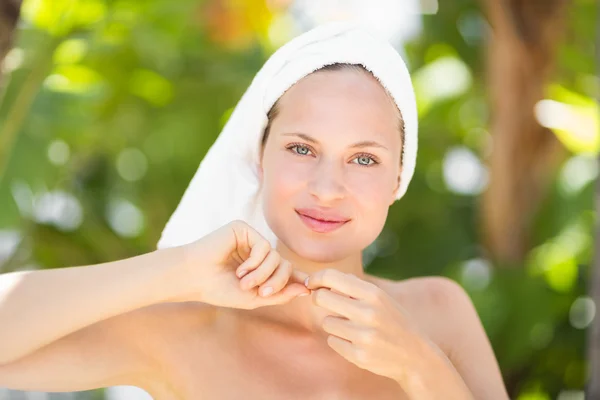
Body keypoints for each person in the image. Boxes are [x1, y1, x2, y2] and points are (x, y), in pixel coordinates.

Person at [0, 23, 509, 399]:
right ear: (259, 158)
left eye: (363, 158)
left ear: (398, 178)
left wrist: (420, 365)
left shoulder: (439, 315)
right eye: (302, 149)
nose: (327, 188)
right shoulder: (182, 331)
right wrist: (177, 271)